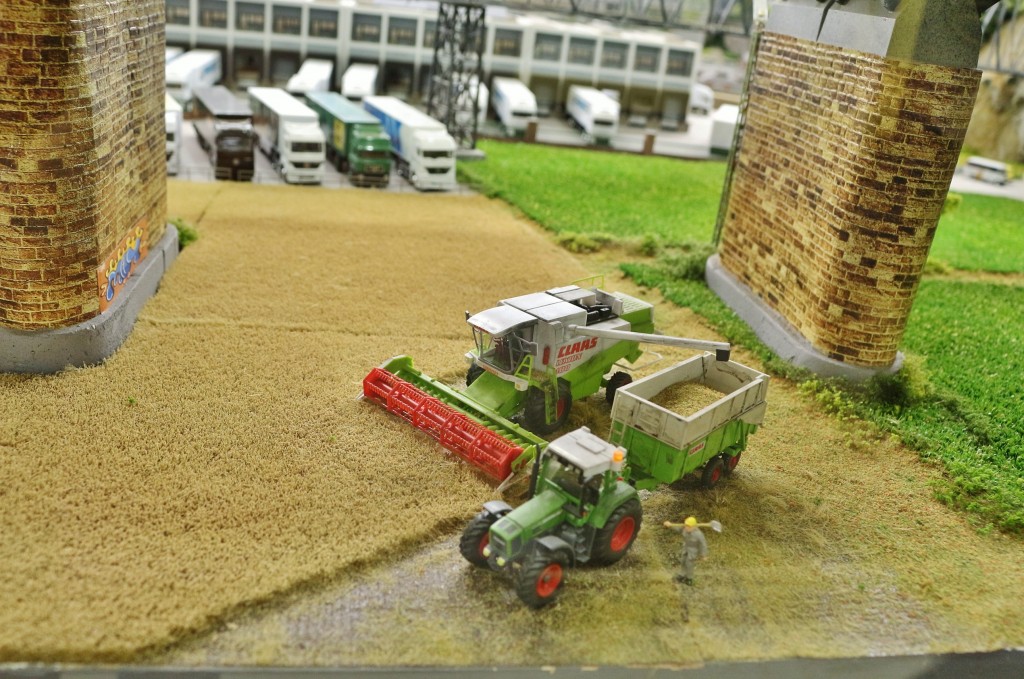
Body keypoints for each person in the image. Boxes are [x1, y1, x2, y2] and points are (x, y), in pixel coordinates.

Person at [664, 516, 708, 586]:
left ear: (693, 527)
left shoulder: (698, 534)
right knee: (683, 561)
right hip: (685, 548)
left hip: (693, 551)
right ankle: (682, 574)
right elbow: (678, 528)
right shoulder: (684, 529)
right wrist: (670, 525)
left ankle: (689, 578)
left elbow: (703, 545)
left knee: (689, 564)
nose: (686, 527)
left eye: (689, 526)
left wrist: (703, 555)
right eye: (686, 526)